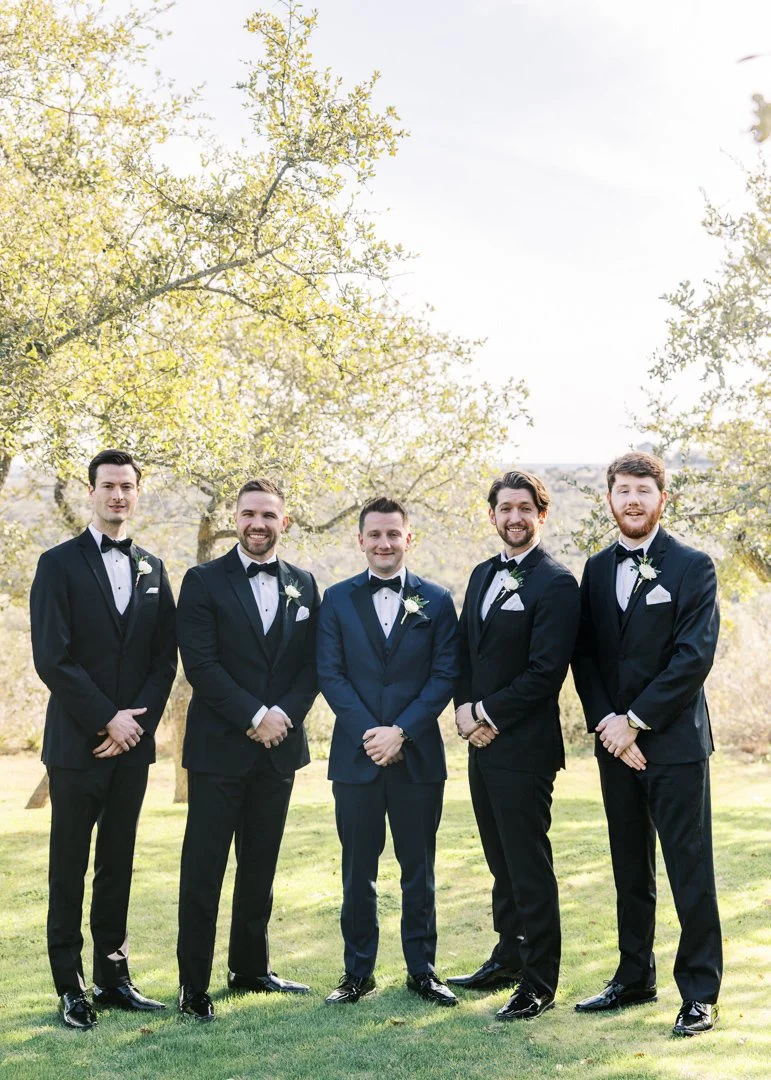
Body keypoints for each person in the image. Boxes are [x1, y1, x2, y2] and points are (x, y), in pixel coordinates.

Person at [572, 451, 722, 1037]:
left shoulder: (692, 566)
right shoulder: (594, 569)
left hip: (675, 745)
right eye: (623, 490)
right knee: (629, 867)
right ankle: (634, 976)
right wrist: (608, 724)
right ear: (609, 498)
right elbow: (585, 655)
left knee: (690, 868)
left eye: (643, 490)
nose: (632, 500)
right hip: (615, 746)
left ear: (663, 499)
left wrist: (635, 720)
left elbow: (693, 657)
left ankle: (700, 993)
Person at [30, 449, 177, 1030]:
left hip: (132, 748)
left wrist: (134, 725)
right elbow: (53, 657)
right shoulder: (57, 564)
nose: (118, 495)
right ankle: (70, 987)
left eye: (127, 486)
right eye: (109, 485)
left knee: (118, 863)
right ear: (90, 492)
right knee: (68, 868)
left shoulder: (154, 569)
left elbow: (164, 659)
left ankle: (113, 978)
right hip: (77, 747)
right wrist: (105, 719)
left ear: (138, 492)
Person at [176, 478, 319, 1022]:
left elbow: (312, 666)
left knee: (260, 866)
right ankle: (193, 985)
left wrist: (282, 716)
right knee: (204, 869)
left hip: (278, 751)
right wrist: (256, 716)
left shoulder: (304, 584)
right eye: (249, 514)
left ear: (284, 522)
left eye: (268, 515)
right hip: (218, 750)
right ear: (235, 519)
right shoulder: (203, 581)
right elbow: (201, 665)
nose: (258, 524)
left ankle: (250, 968)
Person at [448, 470, 580, 1021]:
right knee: (500, 862)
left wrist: (485, 713)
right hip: (480, 746)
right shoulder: (482, 574)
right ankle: (508, 956)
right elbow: (463, 651)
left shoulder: (557, 583)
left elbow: (546, 672)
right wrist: (462, 711)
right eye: (505, 508)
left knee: (528, 866)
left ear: (541, 515)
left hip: (524, 750)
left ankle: (539, 980)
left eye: (525, 508)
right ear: (492, 515)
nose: (515, 517)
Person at [317, 497, 459, 1006]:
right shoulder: (335, 599)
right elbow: (330, 674)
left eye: (393, 534)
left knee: (419, 870)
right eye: (374, 534)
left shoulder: (437, 600)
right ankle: (357, 973)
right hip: (355, 760)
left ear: (408, 539)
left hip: (418, 758)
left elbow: (445, 675)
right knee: (358, 872)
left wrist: (401, 731)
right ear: (361, 540)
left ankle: (423, 971)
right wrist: (372, 735)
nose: (384, 543)